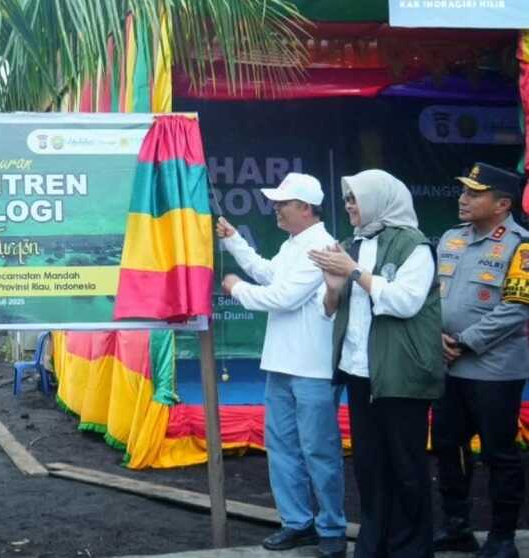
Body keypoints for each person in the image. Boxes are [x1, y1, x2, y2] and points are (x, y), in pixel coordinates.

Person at [309, 169, 444, 558]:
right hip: (359, 372)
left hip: (400, 373)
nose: (349, 205)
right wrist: (334, 290)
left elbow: (404, 302)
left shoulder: (413, 245)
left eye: (356, 198)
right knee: (368, 466)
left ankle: (410, 549)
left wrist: (354, 273)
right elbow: (331, 310)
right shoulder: (352, 244)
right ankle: (373, 545)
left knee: (406, 467)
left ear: (380, 200)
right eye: (347, 199)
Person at [218, 172, 346, 557]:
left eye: (282, 204)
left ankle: (332, 529)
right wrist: (234, 241)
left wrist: (235, 288)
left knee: (318, 450)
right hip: (284, 363)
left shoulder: (320, 246)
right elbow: (269, 272)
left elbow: (284, 296)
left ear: (305, 208)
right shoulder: (295, 244)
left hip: (313, 367)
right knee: (284, 447)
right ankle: (298, 523)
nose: (275, 209)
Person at [431, 163, 529, 558]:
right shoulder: (450, 240)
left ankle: (503, 537)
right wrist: (436, 336)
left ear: (503, 204)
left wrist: (466, 342)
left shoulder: (521, 246)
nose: (463, 198)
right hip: (448, 364)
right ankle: (457, 528)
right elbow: (433, 297)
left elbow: (517, 308)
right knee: (447, 446)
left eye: (475, 193)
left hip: (494, 370)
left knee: (498, 452)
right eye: (464, 191)